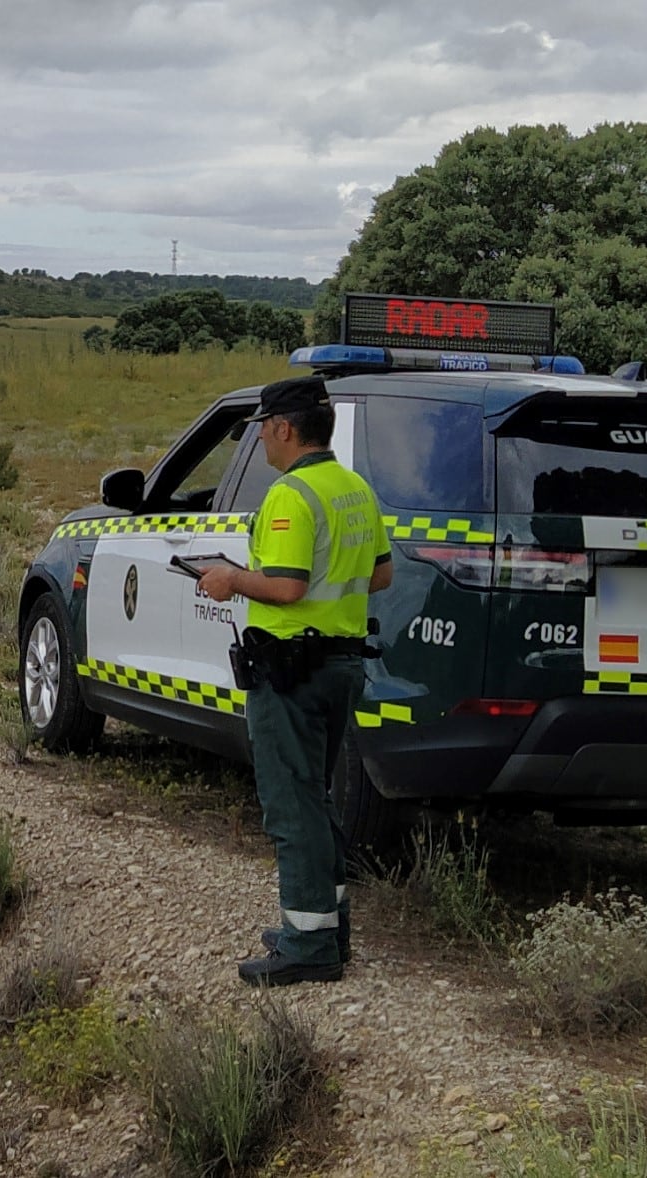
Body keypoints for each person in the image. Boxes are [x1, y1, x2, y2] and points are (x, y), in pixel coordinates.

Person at [196, 375, 393, 987]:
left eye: (262, 426)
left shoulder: (291, 494)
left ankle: (308, 947)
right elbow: (381, 576)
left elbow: (286, 587)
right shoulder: (354, 488)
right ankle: (324, 925)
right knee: (316, 796)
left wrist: (230, 577)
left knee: (291, 802)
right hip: (342, 665)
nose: (258, 437)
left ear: (284, 427)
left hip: (291, 671)